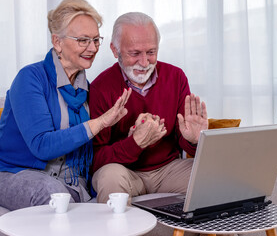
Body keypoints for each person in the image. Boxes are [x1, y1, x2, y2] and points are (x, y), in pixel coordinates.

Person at [0, 0, 132, 211]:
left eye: (96, 40)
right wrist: (98, 123)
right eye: (83, 40)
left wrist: (134, 135)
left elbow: (94, 149)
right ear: (57, 42)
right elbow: (41, 145)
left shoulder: (86, 87)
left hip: (66, 179)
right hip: (12, 173)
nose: (93, 48)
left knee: (104, 196)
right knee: (52, 194)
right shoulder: (30, 78)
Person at [89, 12, 208, 204]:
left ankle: (217, 234)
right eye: (134, 53)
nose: (144, 63)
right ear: (114, 50)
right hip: (125, 172)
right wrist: (134, 143)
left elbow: (183, 141)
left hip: (168, 169)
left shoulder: (175, 77)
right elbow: (95, 160)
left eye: (151, 52)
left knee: (216, 176)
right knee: (109, 177)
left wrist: (194, 140)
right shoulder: (100, 88)